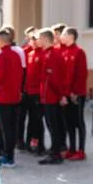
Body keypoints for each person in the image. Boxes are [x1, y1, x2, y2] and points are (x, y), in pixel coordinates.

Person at [37, 29, 69, 165]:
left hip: (51, 97)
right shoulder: (47, 53)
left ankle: (56, 154)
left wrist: (61, 95)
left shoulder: (53, 54)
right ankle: (55, 150)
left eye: (39, 38)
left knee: (53, 125)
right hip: (47, 96)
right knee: (51, 125)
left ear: (45, 39)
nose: (38, 41)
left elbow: (55, 78)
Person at [0, 28, 22, 168]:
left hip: (4, 97)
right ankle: (10, 156)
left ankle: (8, 158)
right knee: (12, 127)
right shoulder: (16, 55)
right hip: (15, 96)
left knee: (5, 128)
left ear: (1, 40)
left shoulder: (1, 56)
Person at [61, 27, 88, 160]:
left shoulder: (79, 52)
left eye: (64, 34)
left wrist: (75, 92)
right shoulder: (64, 51)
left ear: (71, 36)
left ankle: (81, 150)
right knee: (69, 122)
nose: (61, 36)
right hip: (66, 93)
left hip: (77, 94)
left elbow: (81, 74)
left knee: (78, 122)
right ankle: (71, 149)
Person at [21, 31, 46, 155]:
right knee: (30, 120)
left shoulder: (43, 54)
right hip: (29, 92)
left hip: (38, 93)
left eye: (36, 39)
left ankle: (40, 146)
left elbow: (42, 76)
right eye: (32, 39)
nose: (34, 42)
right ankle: (29, 143)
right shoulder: (30, 54)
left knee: (38, 120)